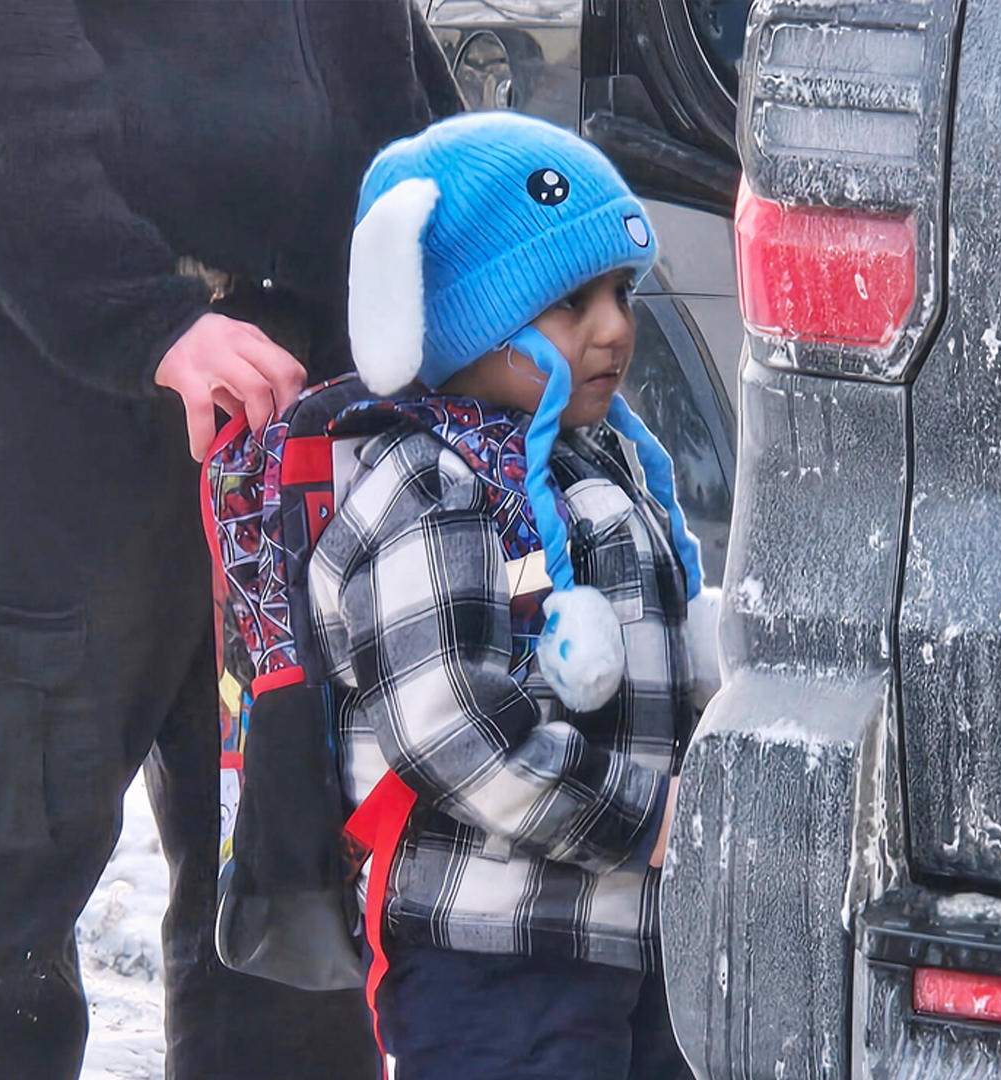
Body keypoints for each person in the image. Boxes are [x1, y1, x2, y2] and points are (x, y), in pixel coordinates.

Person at [0, 3, 461, 1078]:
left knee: (292, 891)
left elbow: (384, 76)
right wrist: (143, 318)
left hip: (304, 396)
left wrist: (493, 287)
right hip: (59, 402)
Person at [309, 112, 723, 1080]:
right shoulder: (430, 482)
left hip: (626, 946)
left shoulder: (610, 464)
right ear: (470, 313)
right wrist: (648, 823)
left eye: (621, 291)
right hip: (490, 964)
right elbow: (452, 731)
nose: (615, 327)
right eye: (569, 301)